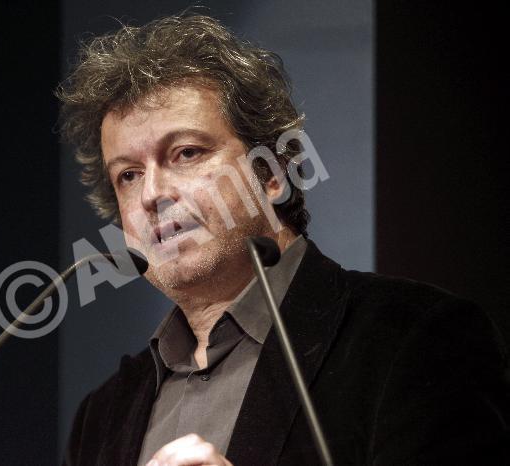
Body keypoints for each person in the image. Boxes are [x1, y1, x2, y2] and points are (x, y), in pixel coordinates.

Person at [56, 13, 509, 466]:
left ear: (272, 174)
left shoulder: (415, 339)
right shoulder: (101, 416)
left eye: (187, 152)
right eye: (129, 175)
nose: (152, 194)